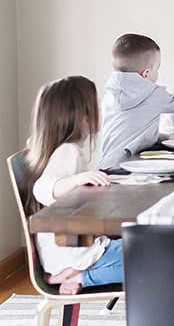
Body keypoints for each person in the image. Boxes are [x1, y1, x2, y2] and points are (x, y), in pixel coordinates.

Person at [25, 76, 122, 295]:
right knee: (155, 259)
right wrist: (78, 180)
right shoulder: (67, 151)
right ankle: (80, 276)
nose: (100, 110)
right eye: (96, 106)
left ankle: (75, 274)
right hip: (74, 254)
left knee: (146, 253)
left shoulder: (68, 149)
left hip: (68, 250)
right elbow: (43, 189)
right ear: (82, 117)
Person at [99, 33, 174, 169]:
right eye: (157, 68)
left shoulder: (110, 95)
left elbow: (135, 131)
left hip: (107, 164)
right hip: (130, 164)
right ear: (146, 74)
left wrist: (165, 137)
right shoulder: (153, 93)